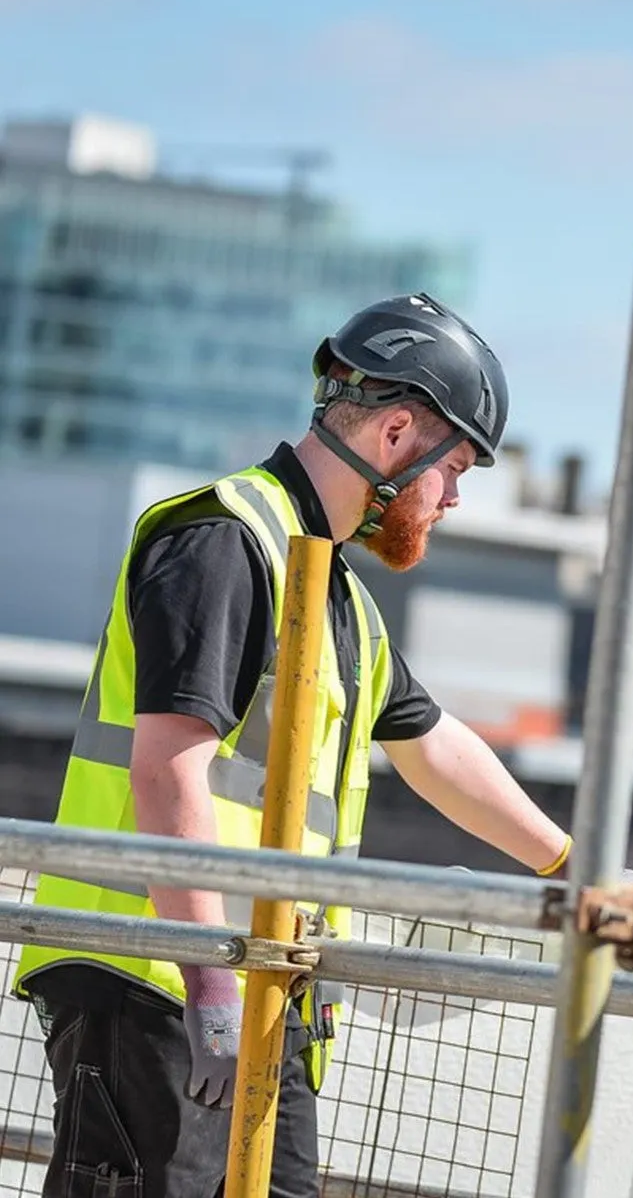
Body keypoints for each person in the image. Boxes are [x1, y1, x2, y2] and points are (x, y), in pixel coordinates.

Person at [13, 293, 576, 1198]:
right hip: (162, 982)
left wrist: (569, 867)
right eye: (456, 467)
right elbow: (169, 771)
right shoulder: (225, 542)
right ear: (396, 436)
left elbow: (435, 749)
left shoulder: (336, 594)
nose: (457, 498)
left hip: (266, 990)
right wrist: (213, 997)